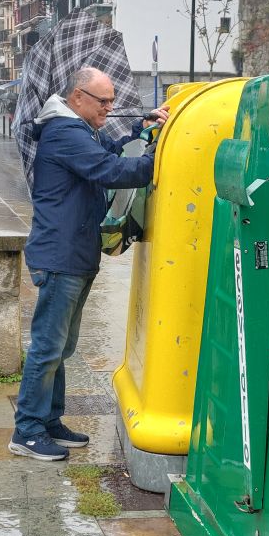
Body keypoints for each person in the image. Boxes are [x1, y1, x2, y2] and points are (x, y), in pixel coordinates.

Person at [11, 65, 166, 460]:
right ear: (77, 96)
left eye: (112, 102)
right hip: (60, 255)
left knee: (61, 347)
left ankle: (49, 421)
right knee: (48, 346)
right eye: (104, 101)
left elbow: (106, 154)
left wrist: (141, 131)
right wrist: (159, 155)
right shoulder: (65, 132)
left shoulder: (78, 130)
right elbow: (109, 170)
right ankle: (27, 430)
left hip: (73, 253)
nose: (109, 108)